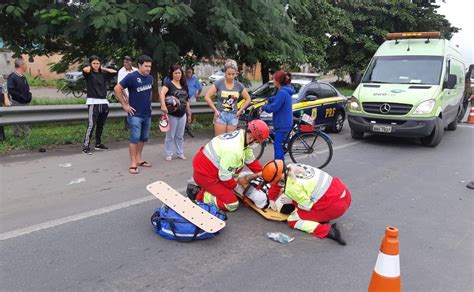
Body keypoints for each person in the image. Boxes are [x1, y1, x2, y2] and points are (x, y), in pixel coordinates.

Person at [261, 160, 351, 245]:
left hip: (335, 207)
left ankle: (328, 231)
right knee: (309, 203)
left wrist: (293, 201)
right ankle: (322, 218)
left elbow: (306, 206)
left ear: (277, 179)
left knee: (293, 220)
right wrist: (271, 198)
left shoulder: (292, 187)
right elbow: (277, 183)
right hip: (344, 195)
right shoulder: (292, 167)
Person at [191, 119, 270, 212]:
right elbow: (224, 177)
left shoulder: (242, 136)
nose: (258, 144)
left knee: (236, 172)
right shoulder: (234, 150)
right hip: (206, 176)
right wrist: (237, 188)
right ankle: (202, 195)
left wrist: (265, 175)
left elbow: (251, 161)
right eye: (258, 142)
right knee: (232, 204)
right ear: (252, 138)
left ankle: (212, 190)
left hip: (210, 170)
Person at [114, 55, 154, 174]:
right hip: (135, 114)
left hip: (147, 113)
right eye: (146, 66)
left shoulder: (150, 78)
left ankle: (138, 159)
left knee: (143, 137)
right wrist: (125, 105)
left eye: (150, 66)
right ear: (139, 65)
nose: (148, 69)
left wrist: (149, 103)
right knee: (135, 138)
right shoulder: (132, 77)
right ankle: (132, 162)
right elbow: (117, 88)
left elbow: (149, 91)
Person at [204, 59, 251, 136]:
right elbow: (207, 97)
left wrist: (240, 111)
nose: (231, 76)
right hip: (221, 115)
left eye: (233, 74)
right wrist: (215, 110)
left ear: (236, 73)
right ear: (225, 73)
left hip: (233, 116)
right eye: (229, 74)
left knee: (230, 142)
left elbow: (248, 99)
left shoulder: (239, 85)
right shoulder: (219, 83)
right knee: (220, 140)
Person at [81, 55, 117, 155]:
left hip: (103, 102)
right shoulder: (89, 74)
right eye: (94, 63)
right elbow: (85, 69)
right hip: (93, 102)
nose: (96, 65)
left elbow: (114, 72)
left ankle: (98, 143)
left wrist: (102, 68)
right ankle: (86, 146)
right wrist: (92, 66)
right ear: (90, 64)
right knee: (91, 125)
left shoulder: (103, 74)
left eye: (97, 63)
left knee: (101, 124)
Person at [159, 64, 192, 161]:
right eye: (176, 73)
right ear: (172, 74)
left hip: (182, 114)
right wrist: (163, 105)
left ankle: (180, 153)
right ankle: (169, 153)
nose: (178, 75)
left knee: (180, 135)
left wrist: (189, 113)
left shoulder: (184, 85)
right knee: (170, 135)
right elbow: (162, 93)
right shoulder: (168, 84)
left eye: (179, 73)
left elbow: (187, 100)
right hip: (172, 114)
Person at [262, 70, 295, 160]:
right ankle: (280, 164)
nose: (273, 81)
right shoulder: (284, 90)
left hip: (282, 123)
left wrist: (264, 107)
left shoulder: (282, 92)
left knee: (277, 146)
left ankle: (279, 166)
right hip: (285, 121)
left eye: (274, 79)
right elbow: (278, 100)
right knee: (279, 144)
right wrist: (270, 99)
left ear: (278, 81)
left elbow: (274, 107)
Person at [7, 58, 32, 137]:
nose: (26, 66)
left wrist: (29, 96)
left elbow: (27, 89)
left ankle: (26, 136)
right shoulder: (12, 77)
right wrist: (21, 98)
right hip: (16, 103)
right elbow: (11, 90)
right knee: (16, 121)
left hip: (26, 103)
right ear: (21, 65)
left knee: (26, 120)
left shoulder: (23, 77)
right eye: (25, 64)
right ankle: (16, 136)